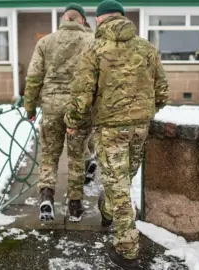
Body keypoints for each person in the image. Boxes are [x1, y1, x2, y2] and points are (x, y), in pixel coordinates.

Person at [64, 0, 169, 269]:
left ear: (99, 20)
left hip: (111, 129)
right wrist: (144, 112)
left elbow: (81, 95)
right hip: (140, 127)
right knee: (123, 180)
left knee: (118, 186)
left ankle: (127, 250)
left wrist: (72, 122)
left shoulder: (93, 49)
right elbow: (163, 91)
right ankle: (108, 209)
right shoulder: (146, 48)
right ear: (123, 18)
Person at [23, 3, 95, 222]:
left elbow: (34, 77)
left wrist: (29, 107)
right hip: (79, 108)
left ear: (64, 18)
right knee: (76, 156)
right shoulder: (92, 42)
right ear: (82, 20)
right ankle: (75, 205)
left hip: (51, 106)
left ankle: (46, 195)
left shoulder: (45, 42)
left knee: (49, 155)